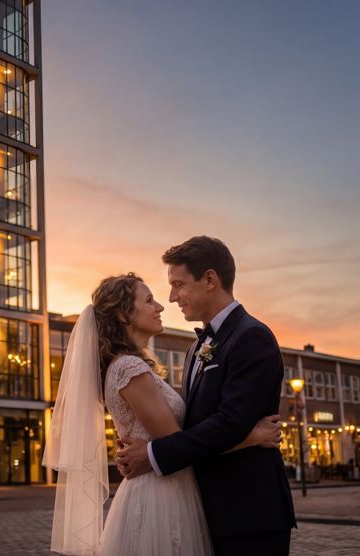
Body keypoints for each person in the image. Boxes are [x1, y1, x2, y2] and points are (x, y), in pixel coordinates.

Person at [43, 270, 283, 555]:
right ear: (123, 315)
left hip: (166, 485)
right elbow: (177, 443)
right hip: (159, 494)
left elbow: (174, 441)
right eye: (149, 301)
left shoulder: (135, 366)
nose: (160, 306)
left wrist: (149, 451)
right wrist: (251, 437)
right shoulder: (129, 369)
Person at [115, 236, 296, 555]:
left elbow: (229, 422)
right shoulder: (196, 348)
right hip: (204, 510)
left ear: (210, 279)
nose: (172, 297)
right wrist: (249, 437)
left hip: (247, 512)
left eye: (178, 284)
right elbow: (200, 425)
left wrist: (153, 453)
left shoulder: (252, 336)